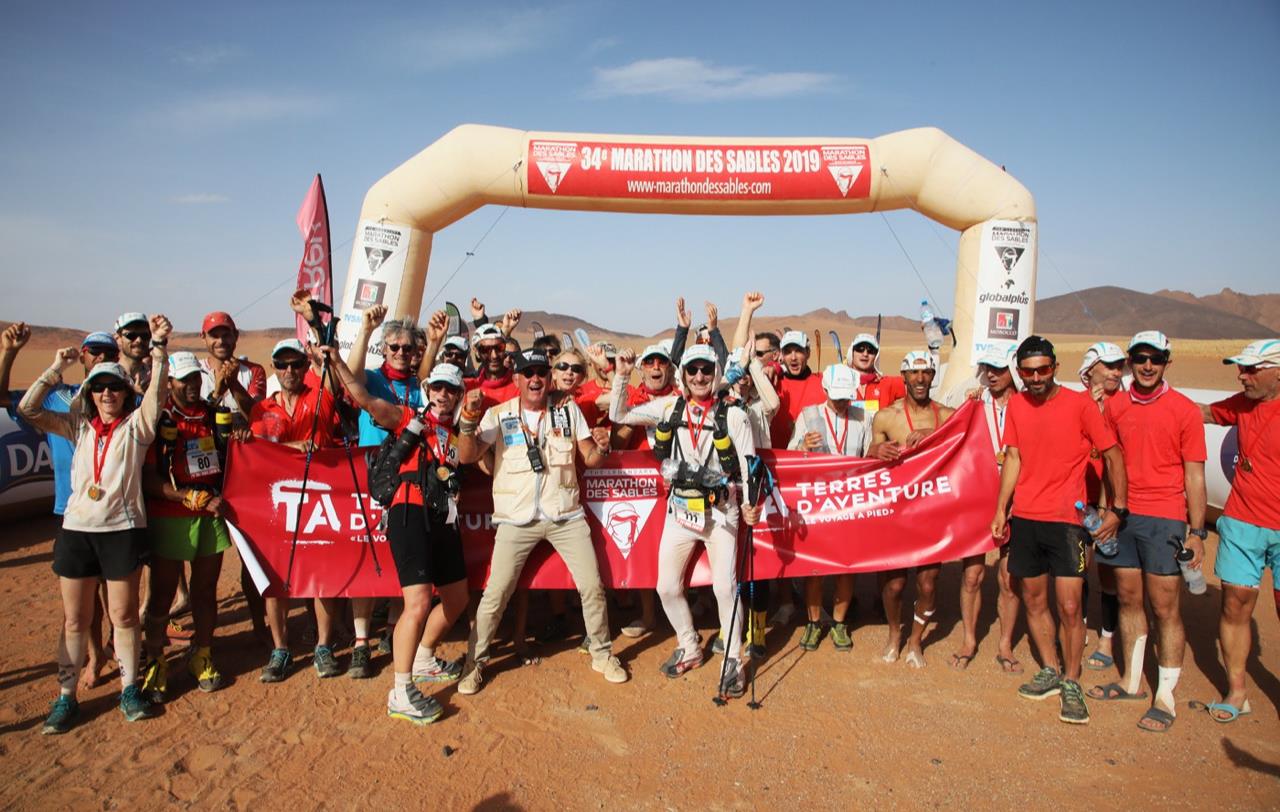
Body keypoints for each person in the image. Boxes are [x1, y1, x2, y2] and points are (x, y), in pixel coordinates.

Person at [19, 314, 172, 733]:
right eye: (100, 387)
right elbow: (27, 408)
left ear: (125, 393)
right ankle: (66, 698)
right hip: (77, 532)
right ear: (90, 392)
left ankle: (128, 689)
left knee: (124, 617)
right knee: (75, 619)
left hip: (121, 532)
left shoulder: (138, 428)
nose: (108, 393)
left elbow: (156, 393)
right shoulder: (76, 427)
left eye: (115, 387)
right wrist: (55, 369)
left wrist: (158, 348)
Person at [455, 348, 628, 694]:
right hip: (516, 520)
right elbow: (466, 455)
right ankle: (474, 664)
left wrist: (603, 447)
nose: (535, 379)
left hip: (565, 515)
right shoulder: (499, 415)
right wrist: (469, 422)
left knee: (592, 587)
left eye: (540, 373)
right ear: (517, 379)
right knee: (496, 593)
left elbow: (590, 459)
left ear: (547, 379)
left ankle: (602, 653)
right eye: (527, 373)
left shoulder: (567, 412)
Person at [323, 348, 471, 724]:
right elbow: (364, 399)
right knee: (418, 602)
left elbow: (471, 459)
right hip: (410, 511)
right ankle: (401, 692)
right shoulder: (407, 417)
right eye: (437, 388)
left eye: (450, 390)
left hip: (443, 517)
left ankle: (424, 658)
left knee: (456, 597)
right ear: (427, 390)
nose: (442, 395)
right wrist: (338, 361)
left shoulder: (455, 433)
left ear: (458, 395)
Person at [991, 335, 1128, 726]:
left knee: (1069, 606)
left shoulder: (1080, 406)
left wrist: (1118, 509)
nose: (1036, 378)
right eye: (1028, 371)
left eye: (1043, 370)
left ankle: (1072, 680)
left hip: (1069, 522)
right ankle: (1050, 669)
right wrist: (1002, 507)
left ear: (1055, 368)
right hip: (1028, 519)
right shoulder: (1016, 405)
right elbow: (1013, 457)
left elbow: (1114, 454)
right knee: (1034, 600)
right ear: (1020, 372)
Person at [610, 344, 760, 697]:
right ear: (684, 374)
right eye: (692, 370)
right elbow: (620, 414)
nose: (699, 377)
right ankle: (690, 645)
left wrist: (751, 504)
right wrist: (620, 374)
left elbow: (749, 465)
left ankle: (733, 662)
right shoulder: (669, 407)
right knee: (667, 586)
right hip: (680, 511)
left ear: (716, 373)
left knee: (725, 587)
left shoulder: (733, 414)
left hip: (722, 512)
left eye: (706, 370)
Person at [1091, 331, 1206, 732]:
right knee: (1127, 598)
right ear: (1129, 362)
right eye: (1139, 358)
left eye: (1155, 359)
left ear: (1166, 363)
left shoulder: (1184, 410)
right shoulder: (1115, 406)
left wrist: (1196, 532)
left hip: (1165, 518)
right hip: (1123, 516)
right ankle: (1131, 682)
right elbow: (1109, 463)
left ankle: (1166, 696)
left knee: (1165, 607)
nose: (1146, 366)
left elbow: (1194, 475)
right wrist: (1107, 511)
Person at [3, 325, 120, 689]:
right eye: (93, 351)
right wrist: (10, 353)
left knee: (116, 590)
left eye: (107, 353)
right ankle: (94, 655)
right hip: (71, 510)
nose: (99, 357)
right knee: (85, 594)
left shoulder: (119, 398)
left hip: (117, 509)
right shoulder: (60, 399)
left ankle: (119, 647)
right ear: (83, 356)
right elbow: (11, 402)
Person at [247, 338, 346, 682]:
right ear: (273, 368)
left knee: (321, 576)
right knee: (276, 579)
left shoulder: (321, 396)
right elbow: (261, 451)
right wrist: (295, 447)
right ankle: (281, 649)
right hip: (276, 505)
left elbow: (335, 377)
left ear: (306, 366)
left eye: (296, 364)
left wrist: (326, 354)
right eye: (281, 364)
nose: (289, 371)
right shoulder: (262, 409)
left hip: (319, 500)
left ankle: (323, 646)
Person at [138, 351, 232, 702]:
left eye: (196, 378)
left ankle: (202, 655)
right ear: (170, 383)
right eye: (184, 380)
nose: (192, 385)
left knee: (205, 590)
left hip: (210, 516)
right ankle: (157, 662)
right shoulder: (159, 420)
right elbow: (149, 479)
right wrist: (188, 498)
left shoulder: (212, 416)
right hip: (172, 517)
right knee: (161, 594)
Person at [1197, 338, 1280, 723]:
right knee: (1234, 605)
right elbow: (1203, 414)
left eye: (1251, 369)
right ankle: (1237, 691)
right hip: (1242, 522)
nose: (1241, 376)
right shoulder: (1240, 404)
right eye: (1240, 368)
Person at [866, 351, 955, 667]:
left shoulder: (947, 416)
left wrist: (935, 435)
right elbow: (867, 463)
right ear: (903, 377)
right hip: (897, 512)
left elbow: (965, 441)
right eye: (913, 374)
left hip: (932, 510)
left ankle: (916, 640)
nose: (920, 379)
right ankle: (894, 633)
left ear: (933, 376)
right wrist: (876, 450)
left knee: (928, 584)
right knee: (894, 585)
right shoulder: (886, 417)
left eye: (926, 373)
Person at [950, 345, 1023, 673]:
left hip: (1020, 499)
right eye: (987, 367)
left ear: (1013, 370)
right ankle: (968, 639)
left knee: (1010, 579)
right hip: (979, 499)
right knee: (973, 575)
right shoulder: (975, 404)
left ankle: (1005, 644)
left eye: (999, 367)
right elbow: (948, 432)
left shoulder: (1026, 405)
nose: (992, 374)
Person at [789, 364, 869, 652]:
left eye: (847, 396)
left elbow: (868, 455)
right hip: (818, 503)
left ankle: (838, 623)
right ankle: (813, 623)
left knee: (847, 567)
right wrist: (802, 446)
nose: (842, 402)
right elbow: (791, 455)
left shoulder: (862, 417)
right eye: (837, 397)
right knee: (815, 569)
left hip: (849, 503)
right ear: (825, 391)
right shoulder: (809, 415)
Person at [1078, 341, 1127, 673]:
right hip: (1080, 502)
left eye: (1119, 365)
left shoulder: (1127, 405)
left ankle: (1106, 640)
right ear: (1089, 369)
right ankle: (1076, 631)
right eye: (1108, 365)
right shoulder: (1074, 404)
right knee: (1077, 569)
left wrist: (1116, 507)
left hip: (1113, 505)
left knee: (1109, 573)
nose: (1115, 371)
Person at [198, 311, 266, 421]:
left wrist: (233, 383)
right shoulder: (194, 371)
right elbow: (195, 417)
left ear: (236, 335)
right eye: (214, 336)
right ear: (203, 337)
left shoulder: (254, 371)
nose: (220, 341)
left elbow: (258, 416)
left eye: (226, 335)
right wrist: (217, 393)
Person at [768, 330, 825, 448]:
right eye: (788, 352)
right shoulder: (772, 382)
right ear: (782, 356)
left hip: (811, 460)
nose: (793, 357)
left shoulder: (823, 383)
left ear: (808, 353)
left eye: (798, 351)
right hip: (776, 460)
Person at [844, 333, 906, 423]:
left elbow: (920, 383)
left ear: (876, 356)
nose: (865, 354)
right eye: (860, 349)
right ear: (851, 353)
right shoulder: (839, 382)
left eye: (870, 350)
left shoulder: (889, 383)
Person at [465, 322, 518, 411]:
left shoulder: (520, 384)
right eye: (486, 350)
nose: (494, 355)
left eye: (499, 348)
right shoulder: (468, 387)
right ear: (476, 352)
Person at [113, 312, 154, 393]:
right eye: (131, 335)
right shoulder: (109, 375)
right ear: (118, 338)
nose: (139, 340)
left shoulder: (154, 377)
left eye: (145, 335)